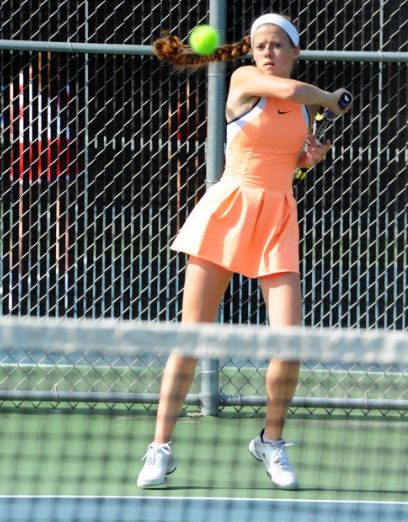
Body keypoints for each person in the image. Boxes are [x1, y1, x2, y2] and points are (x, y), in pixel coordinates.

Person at [137, 13, 351, 490]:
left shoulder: (298, 108)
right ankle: (160, 448)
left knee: (290, 343)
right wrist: (330, 99)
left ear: (295, 52)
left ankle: (271, 443)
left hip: (277, 218)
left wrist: (308, 160)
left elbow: (286, 160)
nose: (268, 53)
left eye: (277, 46)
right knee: (191, 338)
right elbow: (295, 93)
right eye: (261, 45)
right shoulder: (245, 80)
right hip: (227, 212)